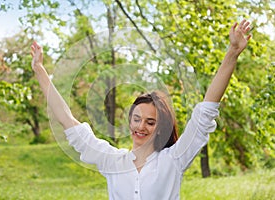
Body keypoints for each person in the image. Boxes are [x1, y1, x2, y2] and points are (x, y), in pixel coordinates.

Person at [31, 19, 251, 200]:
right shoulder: (112, 161)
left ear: (160, 127)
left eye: (150, 122)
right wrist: (40, 70)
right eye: (136, 119)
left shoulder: (173, 160)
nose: (141, 126)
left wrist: (232, 52)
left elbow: (205, 112)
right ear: (129, 122)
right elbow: (67, 120)